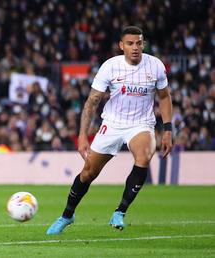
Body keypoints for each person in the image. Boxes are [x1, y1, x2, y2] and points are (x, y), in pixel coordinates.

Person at [46, 26, 173, 235]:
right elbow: (92, 101)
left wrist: (167, 130)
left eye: (139, 43)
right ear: (121, 46)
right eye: (130, 43)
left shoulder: (155, 66)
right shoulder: (110, 67)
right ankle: (67, 215)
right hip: (112, 124)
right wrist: (82, 135)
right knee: (88, 172)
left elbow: (164, 97)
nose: (135, 48)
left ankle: (119, 212)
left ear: (143, 44)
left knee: (144, 156)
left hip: (141, 124)